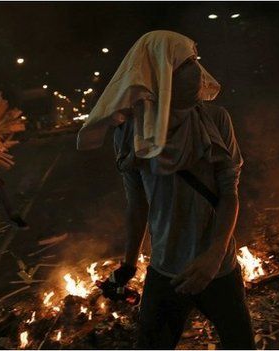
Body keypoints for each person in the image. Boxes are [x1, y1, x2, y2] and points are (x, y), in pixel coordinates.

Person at [77, 31, 255, 349]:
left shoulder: (216, 119)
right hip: (166, 270)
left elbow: (229, 193)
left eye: (196, 60)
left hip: (218, 270)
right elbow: (137, 205)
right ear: (161, 73)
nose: (199, 70)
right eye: (187, 63)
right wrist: (129, 265)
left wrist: (214, 256)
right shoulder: (130, 132)